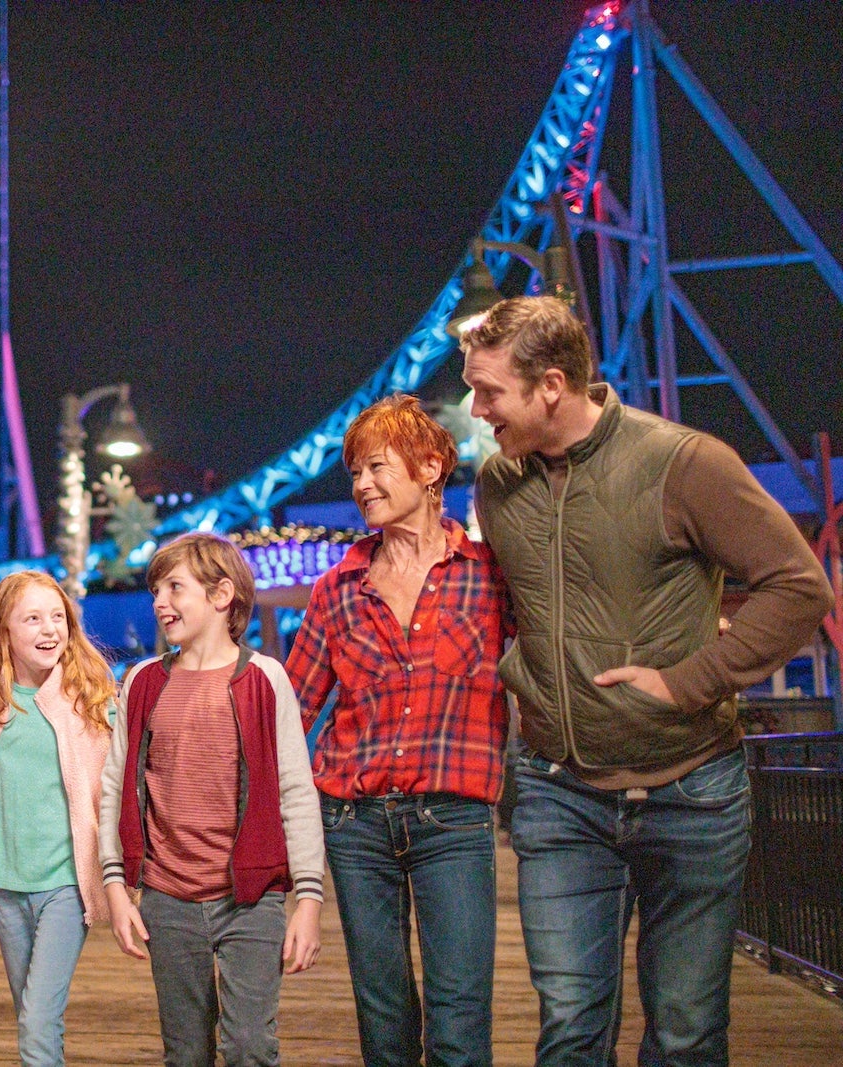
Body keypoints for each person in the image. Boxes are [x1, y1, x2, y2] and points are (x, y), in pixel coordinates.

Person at [460, 296, 834, 1065]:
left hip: (691, 791)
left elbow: (799, 588)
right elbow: (511, 607)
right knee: (570, 1030)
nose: (476, 409)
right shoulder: (496, 485)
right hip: (558, 791)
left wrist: (688, 681)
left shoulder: (685, 462)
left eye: (489, 391)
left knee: (685, 1033)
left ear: (551, 385)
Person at [286, 394, 512, 1067]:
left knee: (459, 1015)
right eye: (355, 472)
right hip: (354, 824)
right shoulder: (337, 588)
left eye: (376, 467)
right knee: (382, 1016)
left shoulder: (490, 575)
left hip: (454, 820)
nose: (362, 484)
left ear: (430, 467)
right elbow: (289, 711)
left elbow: (551, 656)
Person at [99, 531, 326, 1067]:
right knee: (185, 1052)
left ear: (222, 595)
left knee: (249, 1046)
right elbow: (115, 786)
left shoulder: (265, 679)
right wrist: (115, 888)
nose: (160, 602)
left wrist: (309, 901)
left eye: (175, 588)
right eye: (156, 590)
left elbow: (296, 790)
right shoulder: (142, 682)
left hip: (250, 898)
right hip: (166, 897)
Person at [0, 570, 117, 1067]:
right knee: (34, 1016)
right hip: (5, 884)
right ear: (4, 630)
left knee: (36, 1020)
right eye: (32, 619)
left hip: (66, 884)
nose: (50, 629)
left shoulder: (92, 701)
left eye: (58, 617)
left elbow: (118, 790)